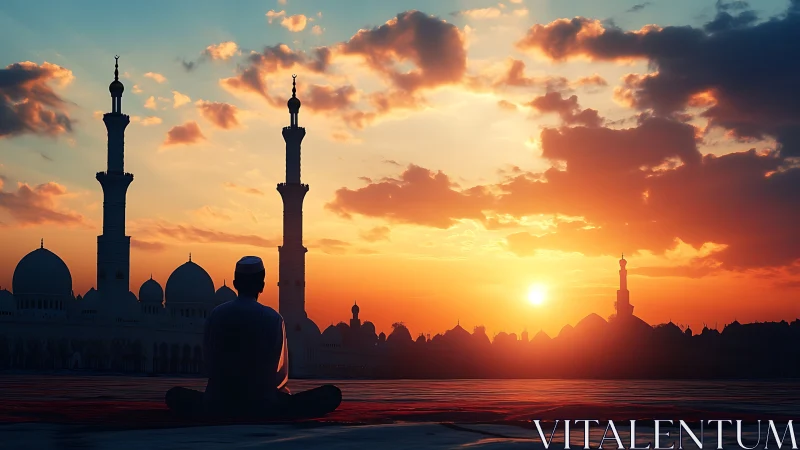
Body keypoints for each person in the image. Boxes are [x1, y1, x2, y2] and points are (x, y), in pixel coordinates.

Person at [165, 256, 341, 420]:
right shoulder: (272, 318)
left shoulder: (216, 315)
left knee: (174, 395)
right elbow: (280, 374)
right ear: (262, 285)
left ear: (235, 284)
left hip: (218, 405)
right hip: (263, 407)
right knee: (331, 394)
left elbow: (209, 362)